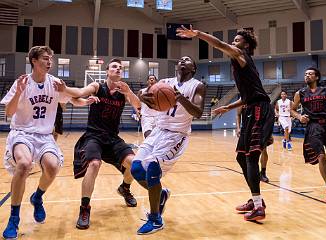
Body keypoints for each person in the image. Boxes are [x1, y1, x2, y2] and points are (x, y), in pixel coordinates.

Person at [0, 46, 98, 239]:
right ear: (34, 61)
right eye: (45, 59)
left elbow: (71, 99)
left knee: (52, 167)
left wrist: (85, 102)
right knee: (24, 164)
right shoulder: (22, 82)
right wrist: (19, 93)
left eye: (50, 59)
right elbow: (9, 113)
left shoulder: (54, 83)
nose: (49, 62)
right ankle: (14, 218)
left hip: (44, 136)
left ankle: (37, 197)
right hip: (22, 133)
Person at [177, 26, 274, 221]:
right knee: (241, 158)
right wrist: (227, 108)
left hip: (259, 109)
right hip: (251, 108)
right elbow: (247, 96)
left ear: (245, 45)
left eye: (236, 40)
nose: (233, 43)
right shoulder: (238, 64)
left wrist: (198, 34)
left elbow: (220, 44)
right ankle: (257, 200)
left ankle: (258, 207)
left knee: (251, 157)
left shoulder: (241, 54)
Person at [56, 58, 141, 229]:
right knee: (94, 164)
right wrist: (65, 89)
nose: (118, 69)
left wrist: (129, 92)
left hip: (112, 138)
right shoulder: (97, 87)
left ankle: (125, 188)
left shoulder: (124, 92)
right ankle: (84, 208)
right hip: (94, 136)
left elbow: (138, 106)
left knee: (135, 164)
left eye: (121, 68)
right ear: (107, 70)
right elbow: (79, 92)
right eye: (115, 67)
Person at [130, 56, 206, 234]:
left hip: (176, 135)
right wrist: (143, 95)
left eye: (187, 60)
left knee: (153, 169)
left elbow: (199, 113)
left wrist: (180, 99)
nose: (182, 61)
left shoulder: (197, 86)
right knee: (136, 169)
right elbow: (143, 94)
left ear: (193, 68)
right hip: (158, 131)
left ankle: (155, 219)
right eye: (181, 60)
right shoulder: (164, 82)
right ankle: (161, 194)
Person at [291, 67, 326, 205]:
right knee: (321, 156)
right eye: (305, 74)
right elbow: (292, 109)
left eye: (310, 74)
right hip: (313, 126)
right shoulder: (300, 93)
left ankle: (324, 168)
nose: (307, 76)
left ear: (317, 77)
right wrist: (299, 116)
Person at [236, 105, 272, 183]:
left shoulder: (261, 100)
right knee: (242, 156)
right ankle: (251, 173)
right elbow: (238, 114)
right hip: (246, 130)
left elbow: (267, 117)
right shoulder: (242, 100)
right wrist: (238, 128)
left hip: (260, 129)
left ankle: (263, 173)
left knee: (263, 150)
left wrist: (269, 132)